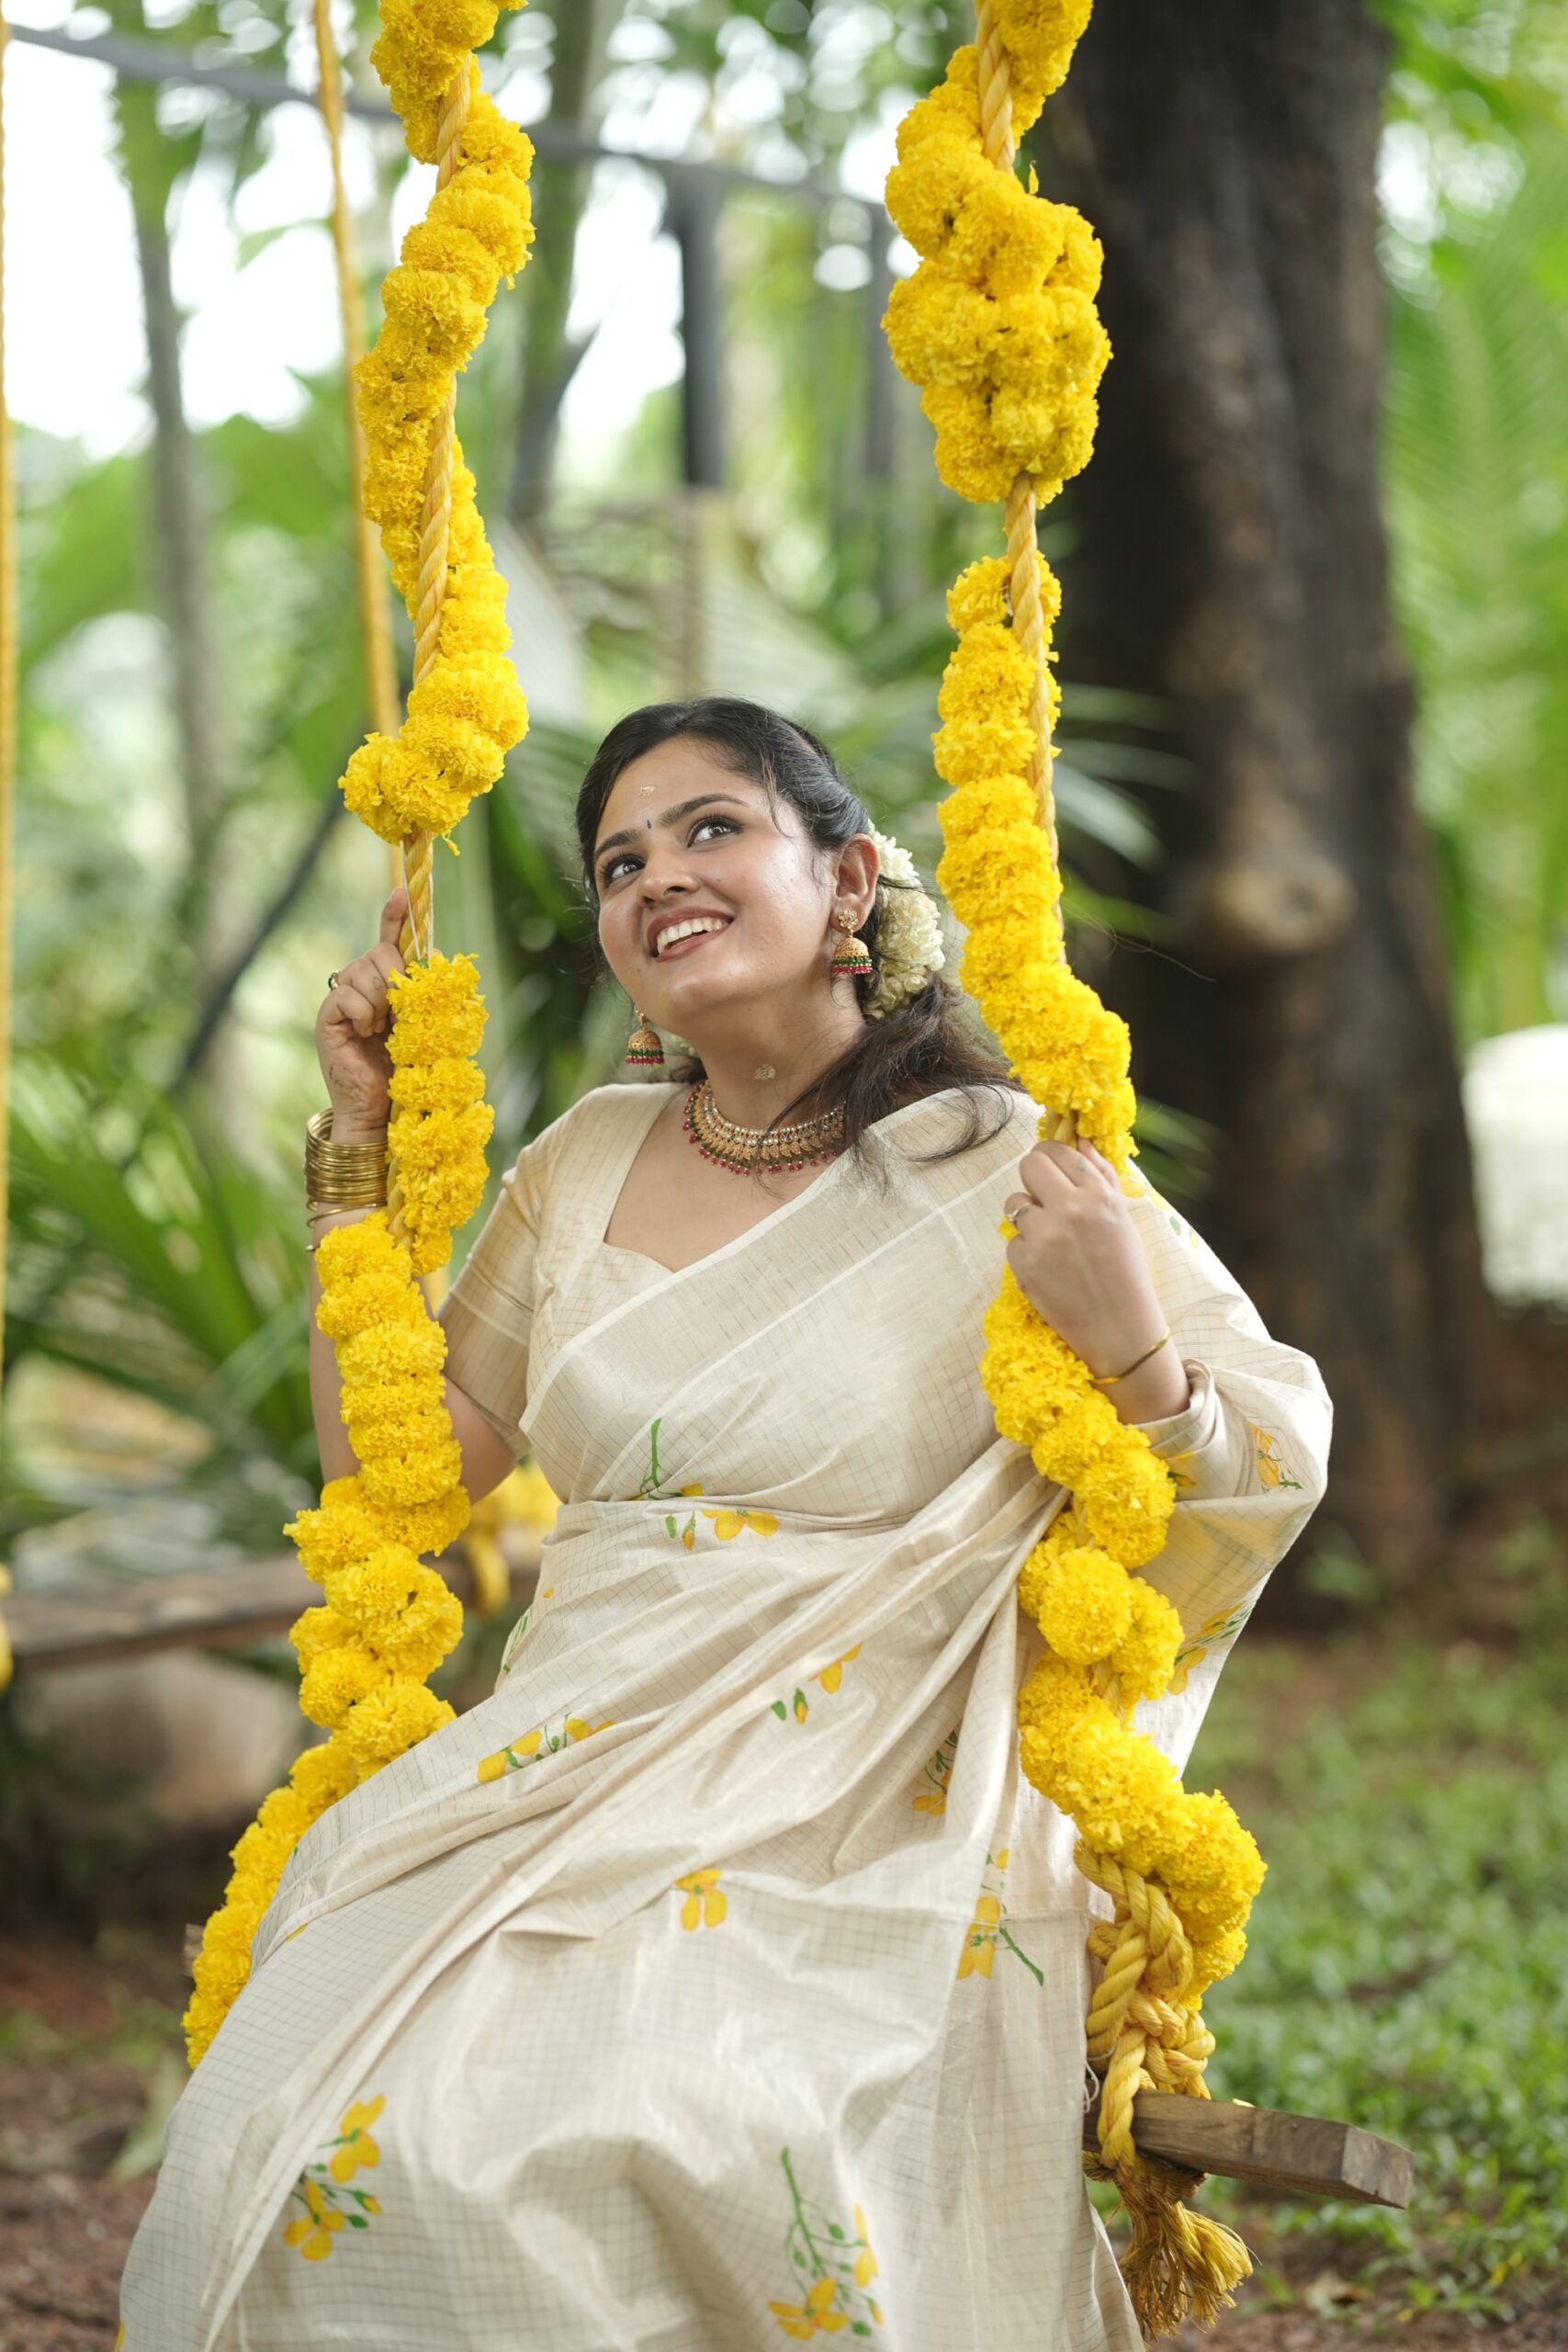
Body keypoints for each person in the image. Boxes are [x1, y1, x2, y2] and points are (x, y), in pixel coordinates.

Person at [118, 697, 1331, 2351]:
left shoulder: (1008, 1160)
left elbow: (1267, 1451)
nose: (654, 880)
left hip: (865, 1809)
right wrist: (355, 1150)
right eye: (619, 861)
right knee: (303, 2109)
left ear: (848, 884)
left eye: (709, 829)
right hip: (565, 1771)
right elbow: (394, 1474)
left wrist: (1128, 1345)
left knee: (672, 2129)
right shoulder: (582, 1161)